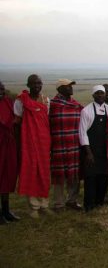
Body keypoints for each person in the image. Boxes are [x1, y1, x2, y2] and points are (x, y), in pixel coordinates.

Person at [14, 74, 52, 218]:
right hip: (28, 142)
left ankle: (44, 204)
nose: (37, 86)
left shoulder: (46, 100)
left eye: (39, 83)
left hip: (43, 142)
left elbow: (45, 121)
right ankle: (33, 207)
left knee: (43, 172)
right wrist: (19, 144)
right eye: (34, 83)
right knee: (30, 172)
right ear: (28, 85)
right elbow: (17, 123)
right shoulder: (21, 101)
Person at [49, 79, 83, 211]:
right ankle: (59, 203)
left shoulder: (75, 104)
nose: (71, 88)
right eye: (68, 86)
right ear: (60, 89)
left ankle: (72, 200)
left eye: (71, 86)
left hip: (74, 145)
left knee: (74, 174)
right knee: (59, 176)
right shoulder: (52, 105)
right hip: (59, 145)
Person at [79, 85, 108, 212]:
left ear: (105, 95)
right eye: (97, 93)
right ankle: (89, 205)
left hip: (104, 151)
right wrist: (88, 153)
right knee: (91, 178)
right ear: (93, 95)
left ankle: (100, 202)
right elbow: (82, 133)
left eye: (102, 93)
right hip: (91, 151)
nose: (100, 96)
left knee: (103, 177)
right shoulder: (86, 111)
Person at [0, 81, 20, 224]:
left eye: (2, 89)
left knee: (7, 176)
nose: (1, 91)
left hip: (8, 145)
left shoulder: (8, 102)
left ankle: (6, 210)